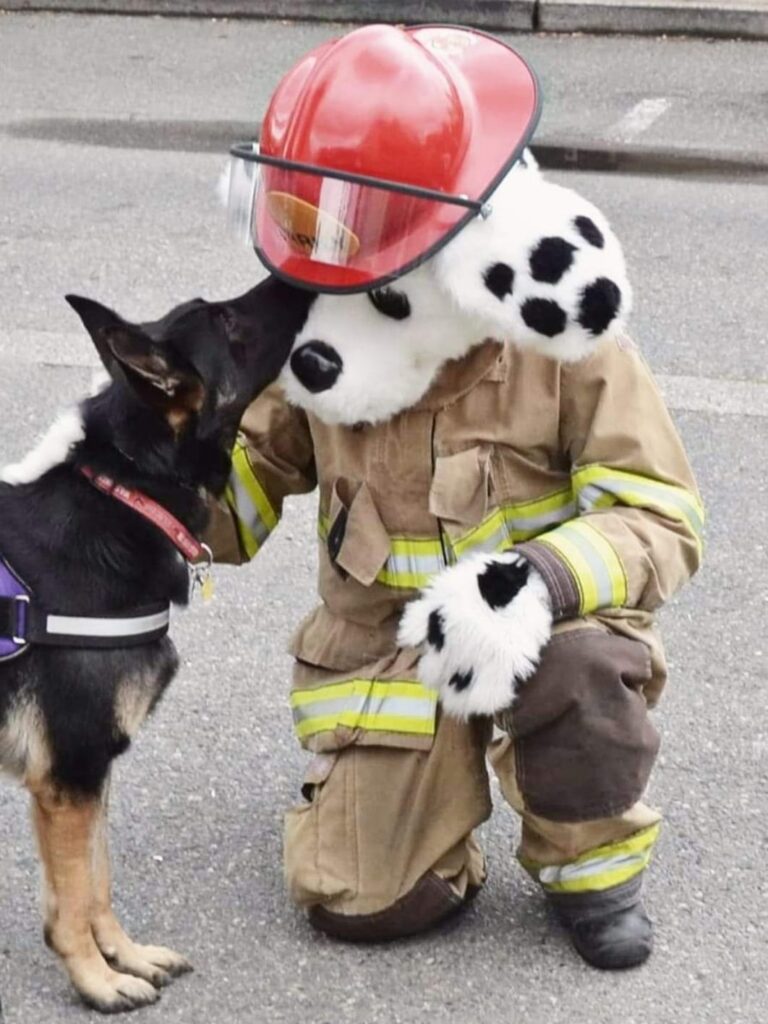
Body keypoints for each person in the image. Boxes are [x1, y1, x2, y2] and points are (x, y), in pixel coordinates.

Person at [209, 23, 703, 969]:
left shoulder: (562, 341)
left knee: (586, 668)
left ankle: (587, 862)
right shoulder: (320, 323)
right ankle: (430, 823)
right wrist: (132, 490)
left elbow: (661, 513)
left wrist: (539, 583)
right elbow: (241, 490)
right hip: (388, 657)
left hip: (540, 633)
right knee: (361, 908)